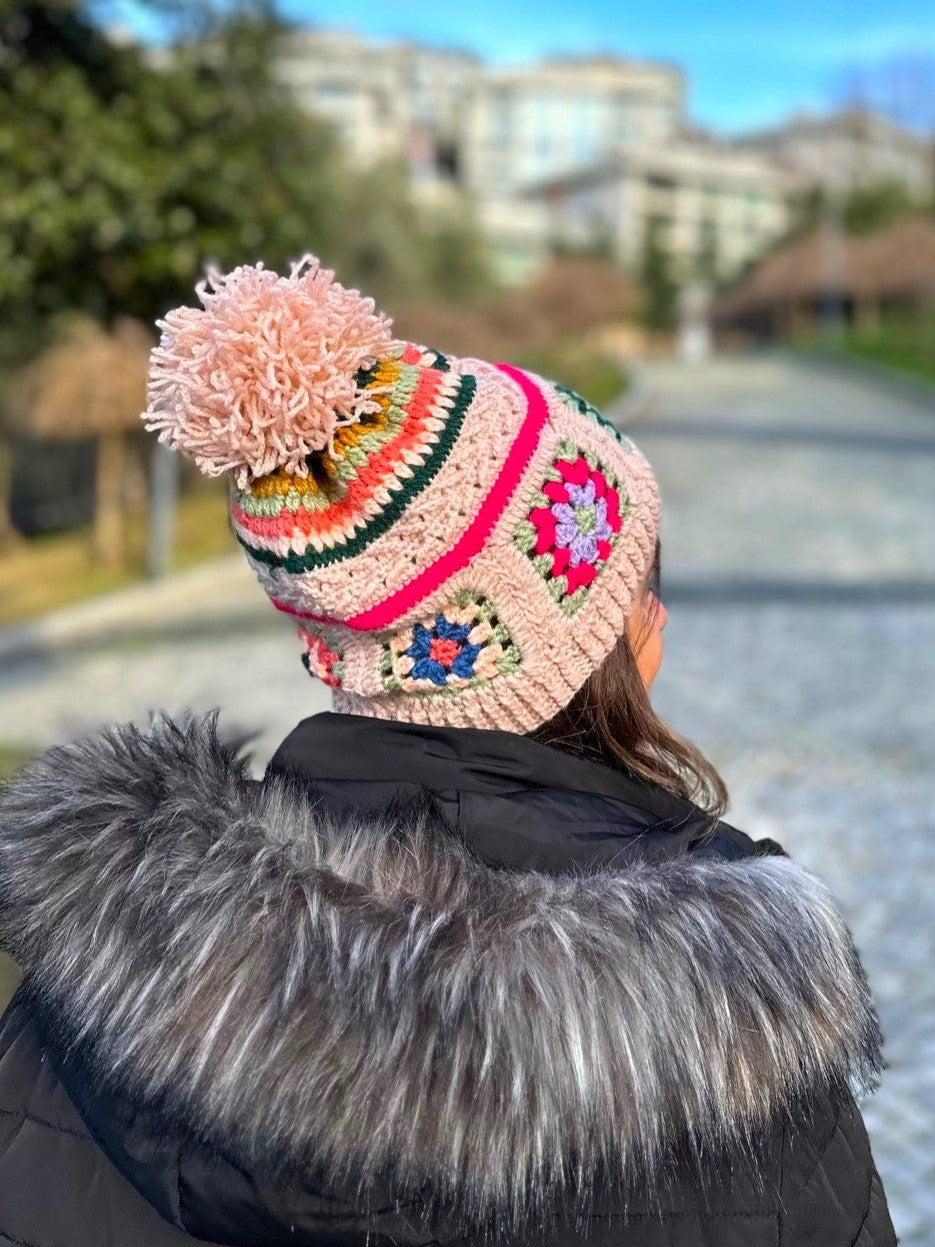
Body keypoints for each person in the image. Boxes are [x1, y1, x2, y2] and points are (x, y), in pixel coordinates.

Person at [0, 257, 894, 1246]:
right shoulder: (744, 1027)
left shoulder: (96, 978)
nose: (660, 616)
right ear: (566, 639)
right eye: (637, 581)